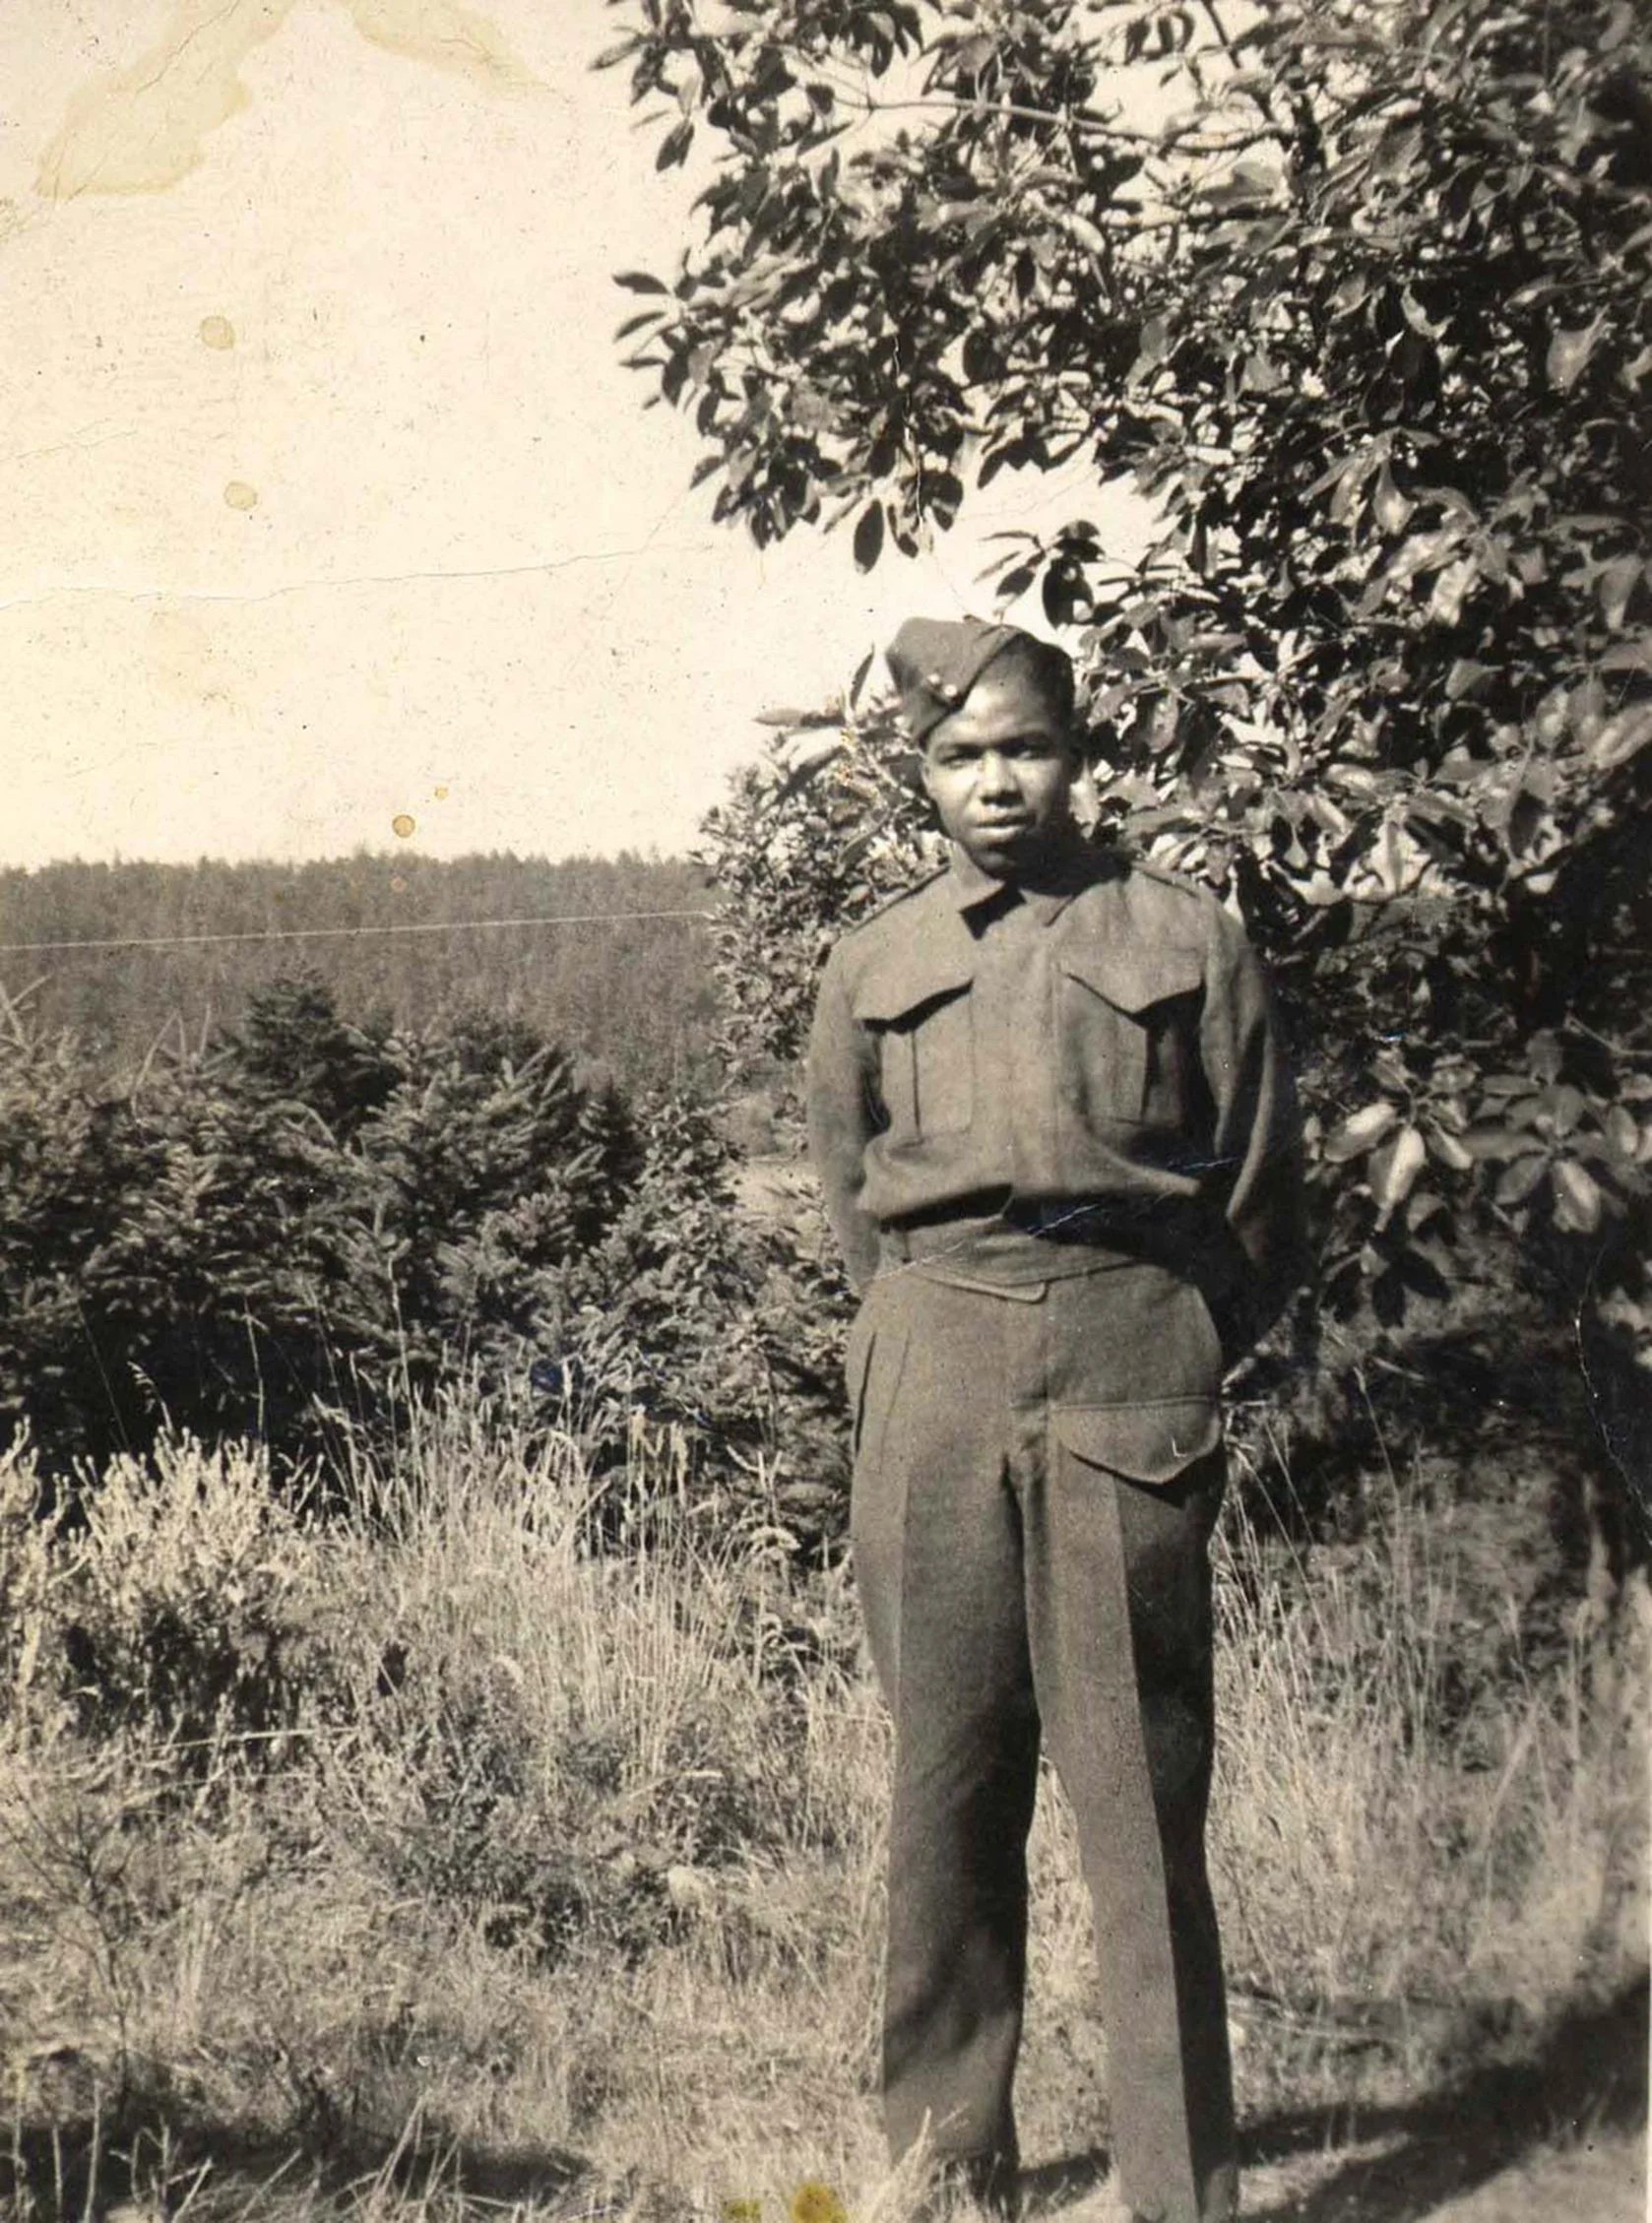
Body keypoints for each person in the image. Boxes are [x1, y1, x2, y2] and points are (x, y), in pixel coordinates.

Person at [804, 617, 1307, 2223]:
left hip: (1123, 1359)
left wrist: (1168, 1334)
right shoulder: (872, 960)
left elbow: (1260, 1189)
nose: (995, 781)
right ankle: (945, 2162)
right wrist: (916, 1334)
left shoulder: (1185, 934)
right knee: (945, 1775)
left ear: (1078, 753)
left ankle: (1179, 2187)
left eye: (1023, 747)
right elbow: (849, 1200)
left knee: (1138, 1792)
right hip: (936, 1359)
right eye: (960, 756)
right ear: (919, 772)